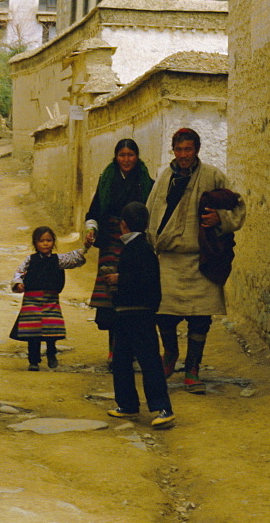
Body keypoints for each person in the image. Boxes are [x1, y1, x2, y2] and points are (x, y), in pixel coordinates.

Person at [146, 128, 246, 394]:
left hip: (201, 258)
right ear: (173, 151)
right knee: (164, 316)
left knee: (200, 319)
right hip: (168, 259)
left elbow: (237, 206)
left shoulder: (213, 176)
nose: (183, 156)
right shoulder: (164, 177)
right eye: (179, 150)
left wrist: (220, 221)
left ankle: (193, 369)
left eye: (188, 150)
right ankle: (170, 355)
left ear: (197, 150)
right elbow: (152, 211)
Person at [84, 139, 155, 365]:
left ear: (137, 157)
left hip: (135, 244)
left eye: (130, 155)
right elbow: (93, 212)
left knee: (132, 292)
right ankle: (114, 349)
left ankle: (132, 348)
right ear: (116, 157)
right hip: (110, 242)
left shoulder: (146, 183)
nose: (126, 160)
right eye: (122, 155)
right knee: (112, 297)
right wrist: (91, 230)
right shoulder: (107, 180)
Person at [105, 201, 175, 429]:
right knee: (122, 361)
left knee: (149, 361)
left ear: (123, 225)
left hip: (138, 314)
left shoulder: (140, 249)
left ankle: (163, 408)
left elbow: (144, 282)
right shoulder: (139, 247)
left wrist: (119, 280)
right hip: (128, 314)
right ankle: (127, 404)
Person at [10, 225, 90, 371]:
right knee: (32, 334)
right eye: (41, 241)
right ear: (35, 243)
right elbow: (18, 273)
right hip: (31, 301)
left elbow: (73, 258)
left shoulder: (58, 260)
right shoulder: (29, 260)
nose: (45, 243)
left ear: (54, 242)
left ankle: (51, 353)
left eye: (49, 240)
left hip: (50, 301)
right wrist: (18, 284)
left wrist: (85, 247)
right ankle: (33, 361)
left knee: (51, 331)